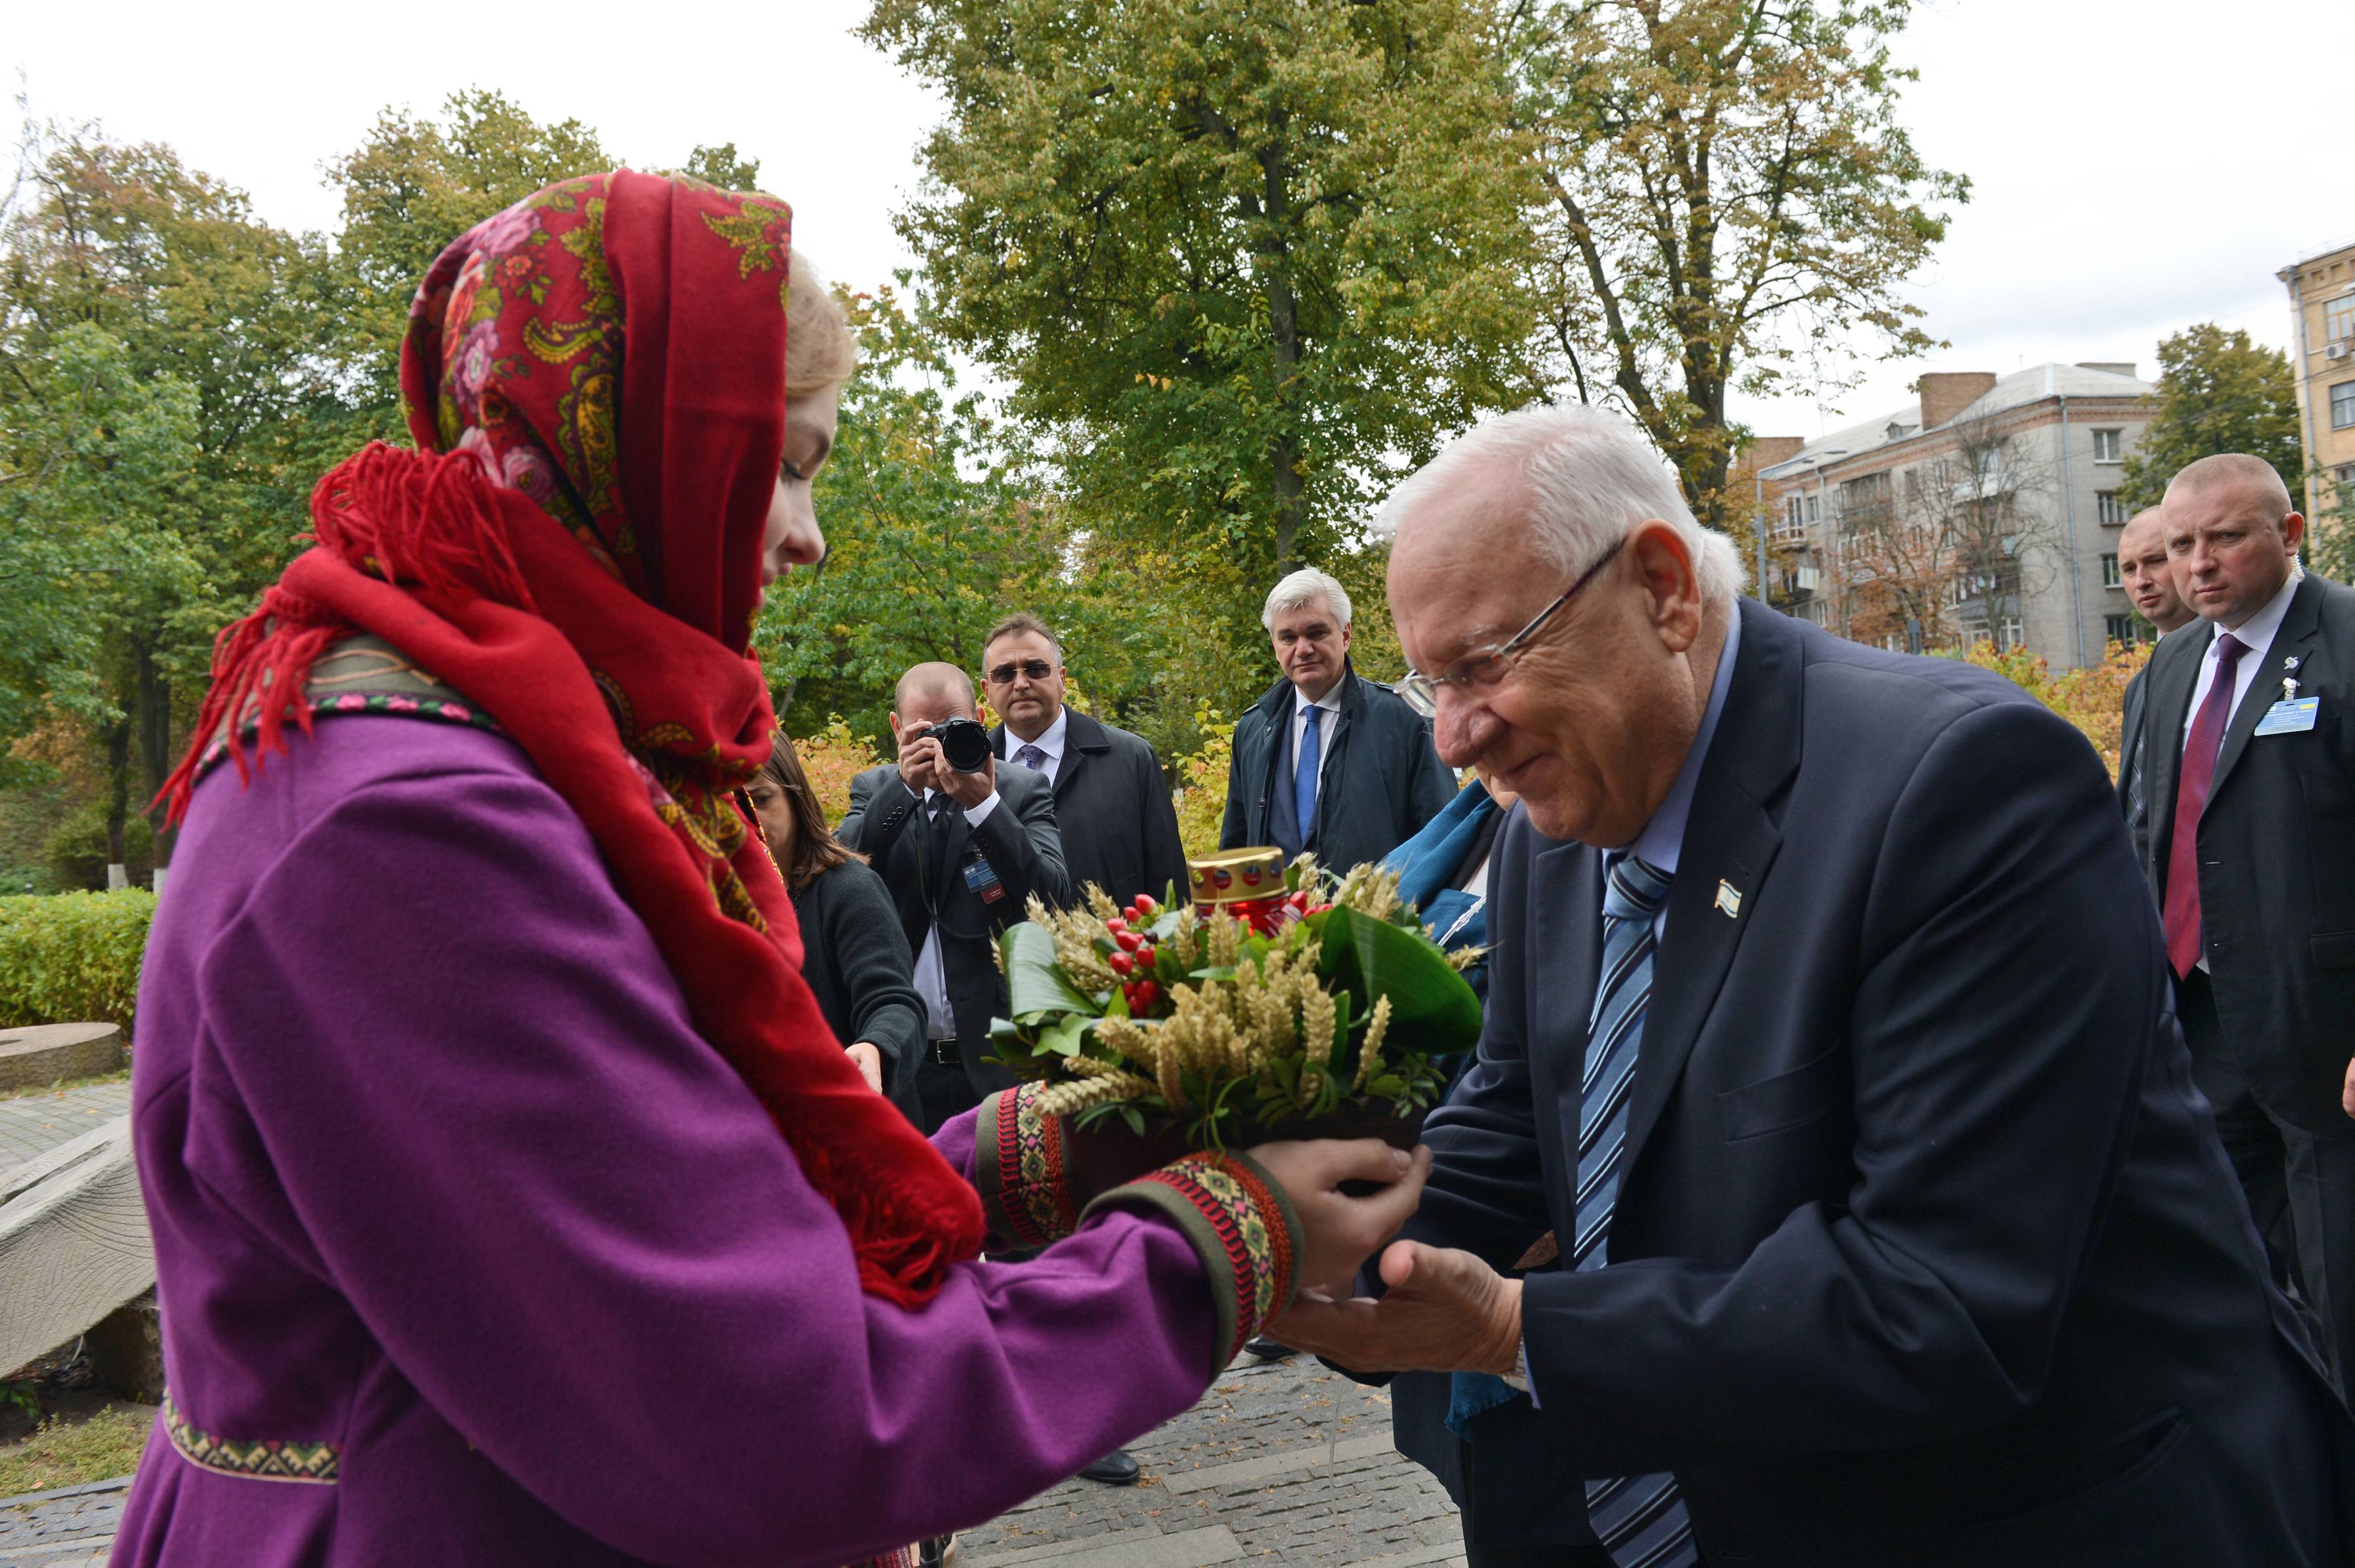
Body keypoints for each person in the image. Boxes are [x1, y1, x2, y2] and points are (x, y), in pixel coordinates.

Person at [118, 171, 1427, 1568]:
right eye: (784, 463)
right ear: (649, 451)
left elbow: (670, 1205)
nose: (808, 535)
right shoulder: (409, 831)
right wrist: (1220, 1234)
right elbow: (769, 1407)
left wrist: (1051, 1151)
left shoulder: (485, 739)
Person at [1271, 406, 2347, 1566]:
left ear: (1663, 588)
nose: (1452, 736)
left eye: (1483, 664)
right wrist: (1274, 1239)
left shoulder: (1966, 785)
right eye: (1428, 681)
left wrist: (1510, 1328)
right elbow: (1517, 1127)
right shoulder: (1558, 821)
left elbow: (1940, 1301)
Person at [2138, 452, 2355, 1397]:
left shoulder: (2346, 645)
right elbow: (2141, 826)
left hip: (2326, 1038)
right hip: (2197, 1024)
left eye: (2224, 537)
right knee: (2228, 1278)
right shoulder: (2173, 662)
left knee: (2340, 1288)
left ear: (2290, 533)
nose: (2199, 565)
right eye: (2182, 544)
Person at [839, 663, 1070, 1135]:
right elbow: (841, 869)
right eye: (926, 731)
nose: (940, 744)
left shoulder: (1021, 788)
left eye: (953, 727)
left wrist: (985, 806)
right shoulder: (874, 789)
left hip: (997, 1056)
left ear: (980, 716)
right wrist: (903, 790)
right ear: (897, 727)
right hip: (904, 1059)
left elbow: (1052, 896)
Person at [1219, 567, 1454, 878]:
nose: (1302, 649)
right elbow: (1236, 848)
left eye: (1316, 633)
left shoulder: (1407, 721)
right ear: (1275, 646)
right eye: (1288, 637)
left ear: (1345, 634)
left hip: (1373, 921)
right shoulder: (1252, 730)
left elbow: (1441, 840)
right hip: (1277, 924)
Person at [746, 733, 923, 1121]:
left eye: (761, 799)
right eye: (731, 806)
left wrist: (877, 1047)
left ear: (795, 797)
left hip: (854, 1125)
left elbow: (893, 1000)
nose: (750, 820)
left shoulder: (847, 887)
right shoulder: (712, 906)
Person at [982, 612, 1187, 911]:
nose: (1021, 683)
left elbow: (1169, 881)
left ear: (1062, 679)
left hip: (1114, 952)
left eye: (1036, 669)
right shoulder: (968, 772)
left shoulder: (1130, 758)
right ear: (987, 691)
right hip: (1009, 954)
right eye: (1004, 674)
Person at [2118, 504, 2197, 867]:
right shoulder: (2139, 688)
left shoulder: (2226, 672)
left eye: (2155, 561)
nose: (2141, 580)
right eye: (2129, 569)